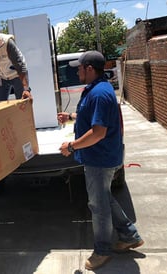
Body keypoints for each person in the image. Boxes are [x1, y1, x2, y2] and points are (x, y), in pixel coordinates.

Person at [58, 51, 144, 270]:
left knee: (98, 206)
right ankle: (129, 235)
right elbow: (93, 118)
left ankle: (102, 251)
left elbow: (98, 133)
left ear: (89, 68)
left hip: (100, 159)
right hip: (103, 157)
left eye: (79, 68)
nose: (77, 71)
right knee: (104, 197)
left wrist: (71, 146)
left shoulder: (99, 94)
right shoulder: (98, 89)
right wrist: (71, 117)